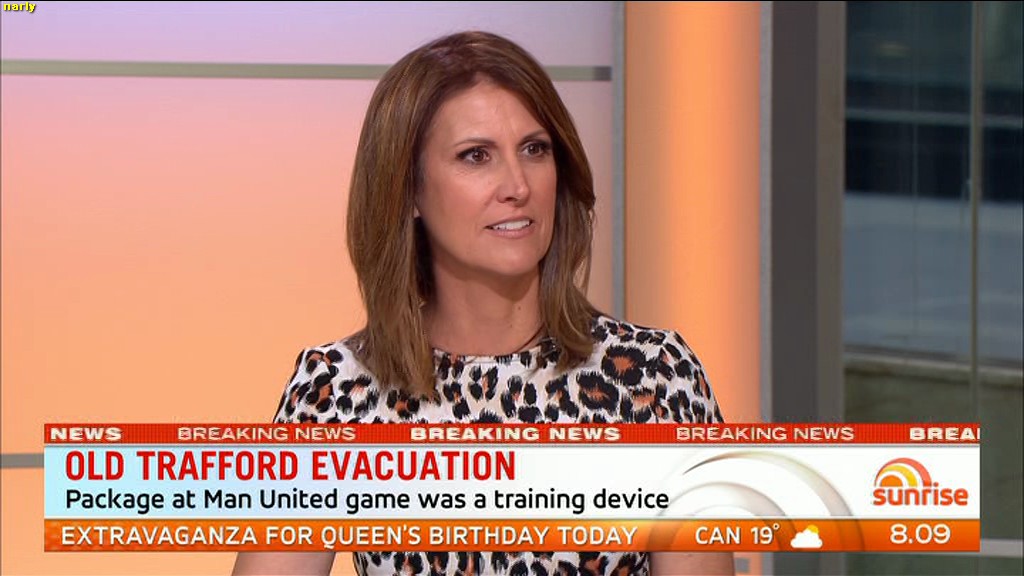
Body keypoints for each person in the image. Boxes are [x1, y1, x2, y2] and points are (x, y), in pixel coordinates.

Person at [233, 30, 734, 576]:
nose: (517, 185)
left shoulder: (655, 378)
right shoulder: (336, 393)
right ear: (409, 190)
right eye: (476, 156)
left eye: (534, 150)